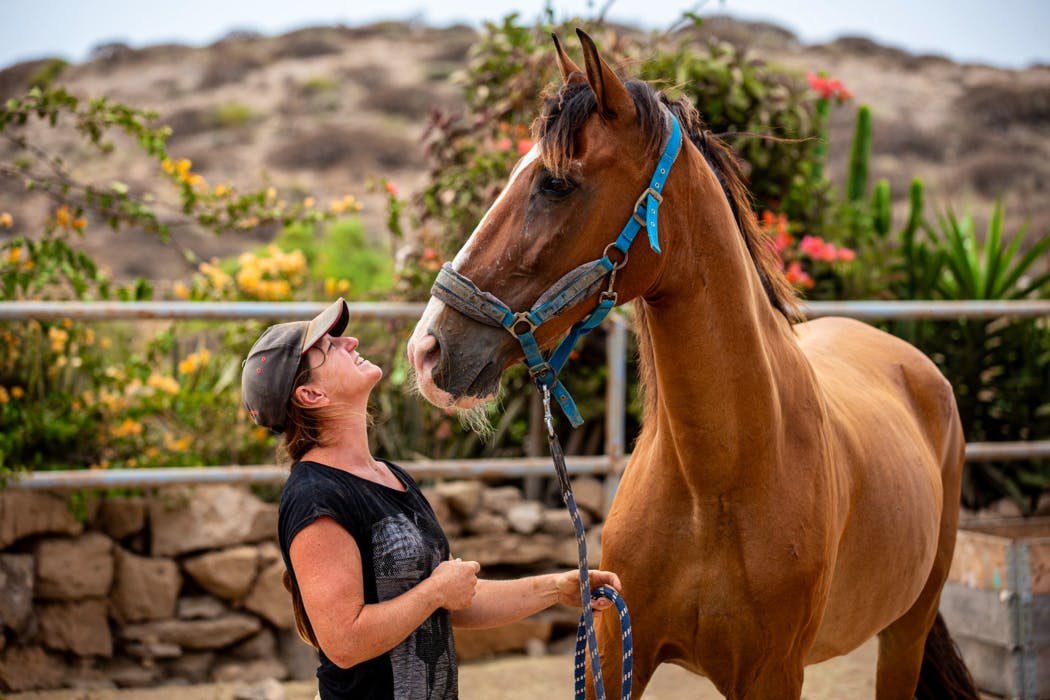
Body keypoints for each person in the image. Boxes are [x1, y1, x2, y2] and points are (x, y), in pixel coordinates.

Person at [241, 298, 621, 700]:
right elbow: (345, 642)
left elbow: (451, 601)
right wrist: (435, 592)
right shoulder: (315, 496)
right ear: (310, 395)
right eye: (328, 348)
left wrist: (557, 589)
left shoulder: (391, 477)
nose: (349, 341)